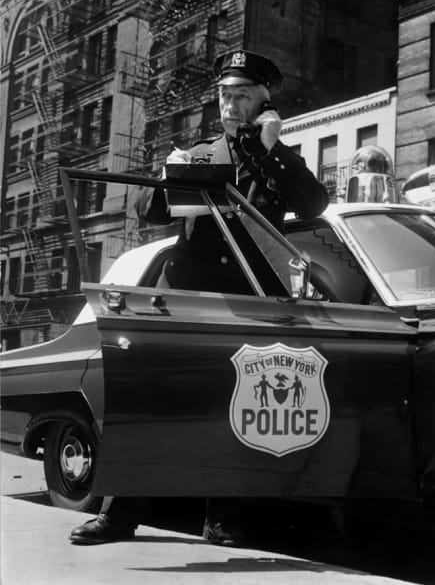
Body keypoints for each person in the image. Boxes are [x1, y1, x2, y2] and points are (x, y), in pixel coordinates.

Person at [70, 49, 329, 547]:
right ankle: (120, 515)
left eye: (243, 96)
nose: (230, 105)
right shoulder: (198, 152)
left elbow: (315, 203)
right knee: (152, 404)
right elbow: (148, 210)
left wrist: (271, 147)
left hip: (245, 302)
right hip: (186, 298)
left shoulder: (278, 157)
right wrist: (170, 176)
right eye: (225, 96)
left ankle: (222, 519)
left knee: (233, 409)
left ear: (265, 102)